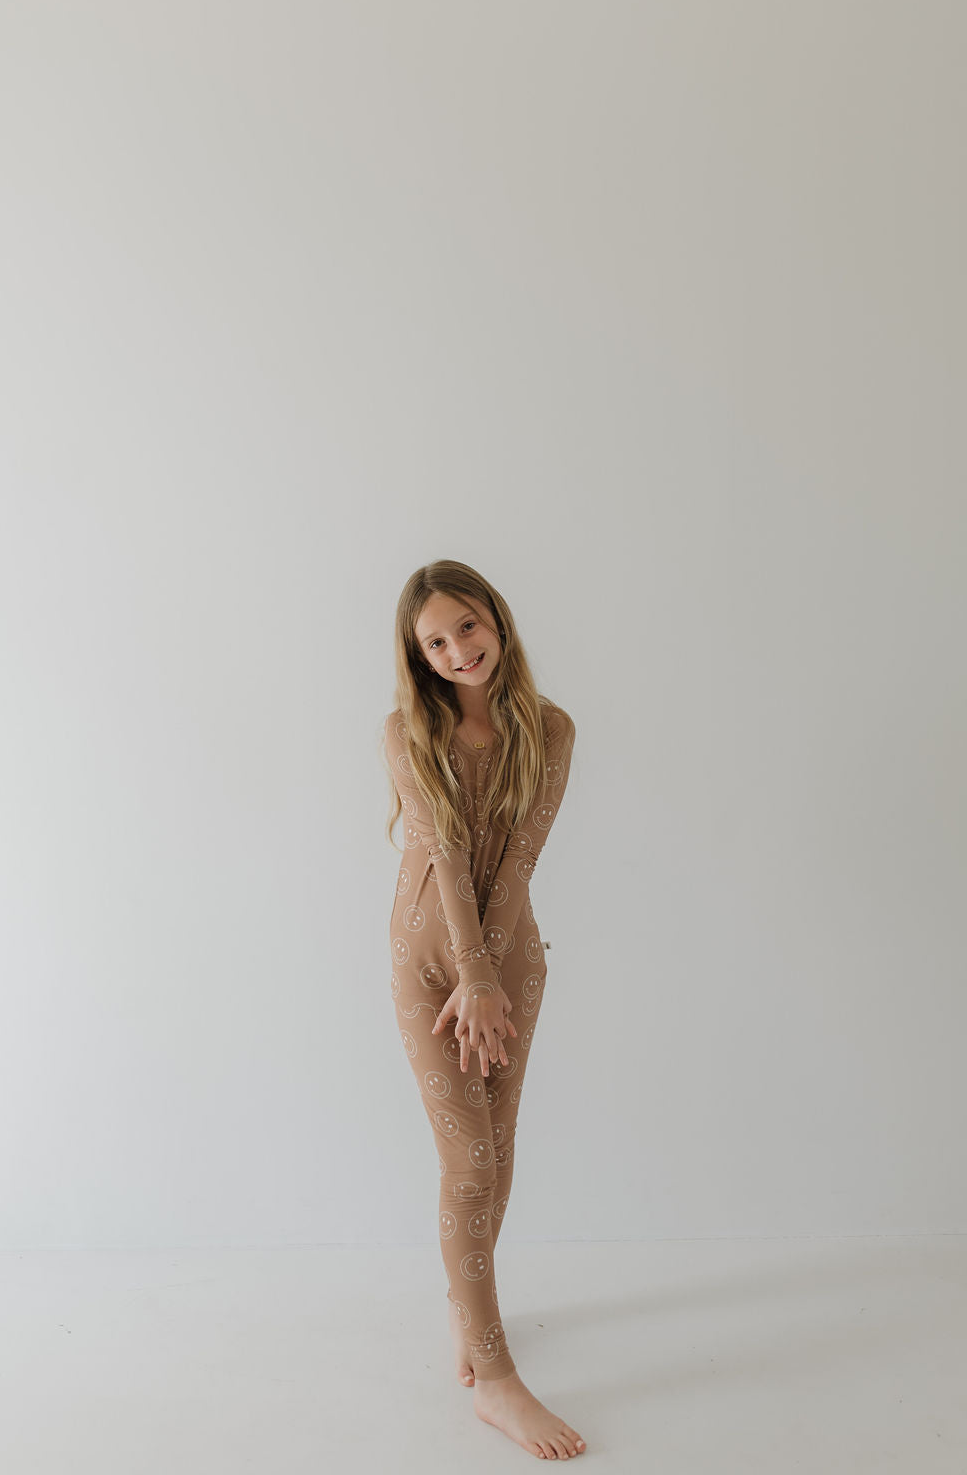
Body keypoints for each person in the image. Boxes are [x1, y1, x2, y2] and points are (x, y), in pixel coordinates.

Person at [381, 559, 586, 1462]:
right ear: (419, 656)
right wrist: (468, 974)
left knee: (496, 1157)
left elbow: (521, 860)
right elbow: (445, 849)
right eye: (436, 641)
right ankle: (494, 1376)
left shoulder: (549, 728)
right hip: (432, 966)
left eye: (468, 626)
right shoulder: (406, 733)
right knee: (468, 1162)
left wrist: (497, 976)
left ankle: (474, 1315)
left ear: (495, 620)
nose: (459, 650)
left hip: (513, 965)